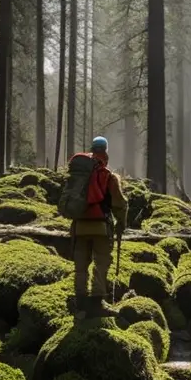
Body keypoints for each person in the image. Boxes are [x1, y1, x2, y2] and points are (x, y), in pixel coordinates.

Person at [70, 136, 128, 319]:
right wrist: (121, 224)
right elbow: (120, 204)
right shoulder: (108, 177)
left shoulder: (78, 175)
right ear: (106, 152)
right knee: (101, 264)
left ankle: (80, 303)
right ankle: (96, 303)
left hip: (79, 227)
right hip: (101, 228)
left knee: (80, 266)